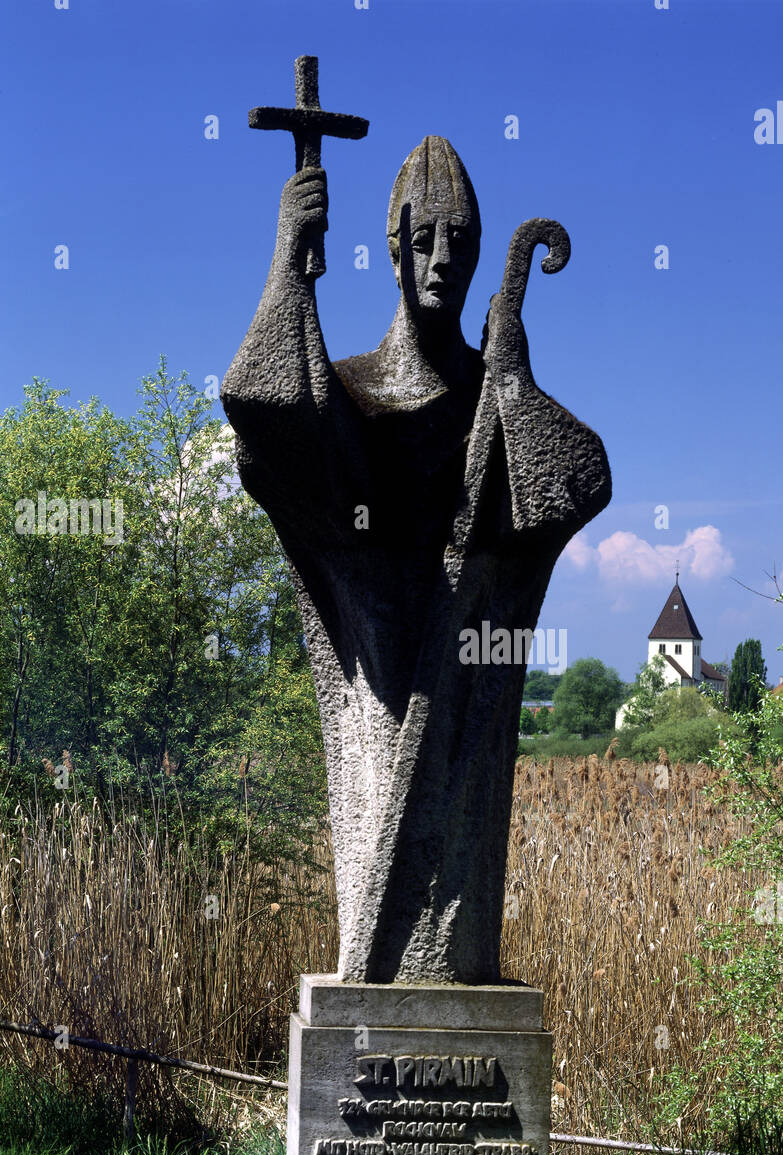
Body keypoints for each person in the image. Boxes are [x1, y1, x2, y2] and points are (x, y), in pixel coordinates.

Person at [222, 136, 610, 983]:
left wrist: (512, 385)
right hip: (376, 716)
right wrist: (291, 266)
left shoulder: (492, 395)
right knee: (380, 923)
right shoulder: (351, 394)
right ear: (392, 247)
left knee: (455, 934)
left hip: (464, 721)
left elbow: (579, 481)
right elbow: (265, 410)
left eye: (461, 242)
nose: (443, 260)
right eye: (425, 238)